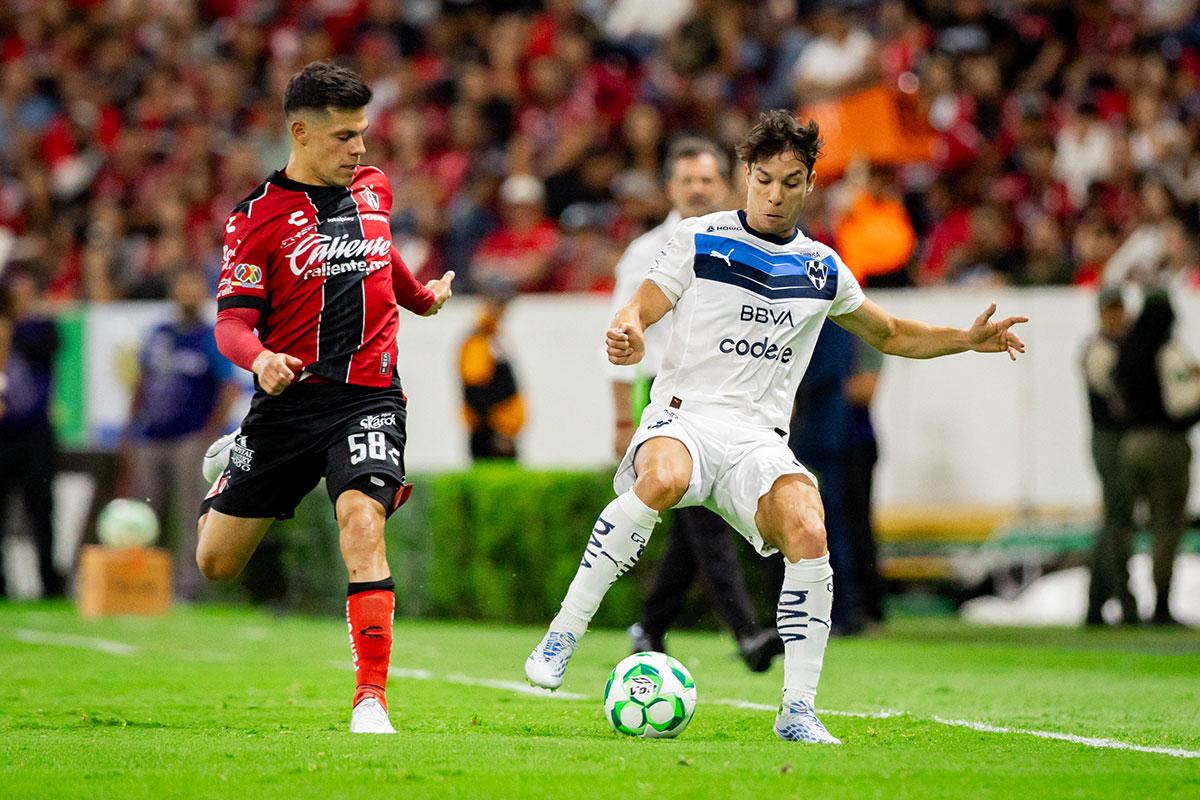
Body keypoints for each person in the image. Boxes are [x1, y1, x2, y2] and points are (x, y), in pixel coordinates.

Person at [525, 110, 1027, 744]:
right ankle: (563, 633)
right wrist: (628, 329)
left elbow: (891, 334)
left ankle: (797, 710)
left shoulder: (822, 268)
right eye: (763, 180)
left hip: (758, 441)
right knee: (661, 479)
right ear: (746, 176)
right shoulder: (699, 239)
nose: (774, 195)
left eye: (790, 182)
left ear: (809, 184)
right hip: (686, 418)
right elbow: (640, 306)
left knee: (810, 527)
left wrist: (966, 339)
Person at [195, 62, 454, 734]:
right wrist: (261, 360)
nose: (358, 148)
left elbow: (382, 254)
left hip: (367, 398)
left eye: (362, 133)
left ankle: (371, 700)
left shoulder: (374, 188)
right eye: (343, 136)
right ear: (301, 133)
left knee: (361, 524)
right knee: (216, 563)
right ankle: (230, 466)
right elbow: (231, 323)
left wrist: (421, 299)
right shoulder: (256, 218)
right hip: (286, 405)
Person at [613, 137, 782, 671]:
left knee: (696, 521)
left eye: (707, 179)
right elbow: (621, 330)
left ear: (724, 184)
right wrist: (622, 419)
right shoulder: (646, 251)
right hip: (668, 397)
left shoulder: (745, 243)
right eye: (688, 180)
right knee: (707, 523)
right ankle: (747, 633)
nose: (698, 189)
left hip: (730, 397)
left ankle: (650, 626)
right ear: (670, 188)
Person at [119, 269, 241, 600]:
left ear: (204, 293)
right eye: (182, 285)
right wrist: (129, 431)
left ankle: (189, 589)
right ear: (173, 291)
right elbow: (141, 382)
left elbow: (229, 388)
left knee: (191, 513)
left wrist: (208, 435)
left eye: (193, 286)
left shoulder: (211, 336)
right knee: (146, 515)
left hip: (190, 438)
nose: (187, 292)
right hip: (151, 436)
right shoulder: (159, 334)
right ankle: (144, 586)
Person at [1114, 291, 1200, 626]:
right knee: (1166, 526)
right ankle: (1161, 604)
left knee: (1120, 523)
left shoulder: (1127, 348)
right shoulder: (1168, 350)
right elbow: (1182, 403)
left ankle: (1117, 598)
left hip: (1130, 442)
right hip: (1165, 444)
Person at [0, 270, 65, 599]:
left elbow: (47, 349)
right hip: (3, 434)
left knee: (41, 508)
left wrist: (11, 328)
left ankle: (49, 583)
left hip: (35, 433)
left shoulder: (42, 328)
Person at [1081, 286, 1138, 625]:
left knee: (1116, 521)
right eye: (1111, 310)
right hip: (1109, 440)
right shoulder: (1099, 350)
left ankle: (1097, 602)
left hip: (1118, 439)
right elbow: (1115, 395)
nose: (1117, 316)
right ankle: (1120, 601)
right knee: (1116, 521)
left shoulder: (1116, 347)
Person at [459, 280, 525, 460]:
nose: (503, 310)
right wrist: (497, 432)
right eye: (499, 304)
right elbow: (475, 391)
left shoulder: (493, 336)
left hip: (502, 433)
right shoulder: (479, 340)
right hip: (491, 437)